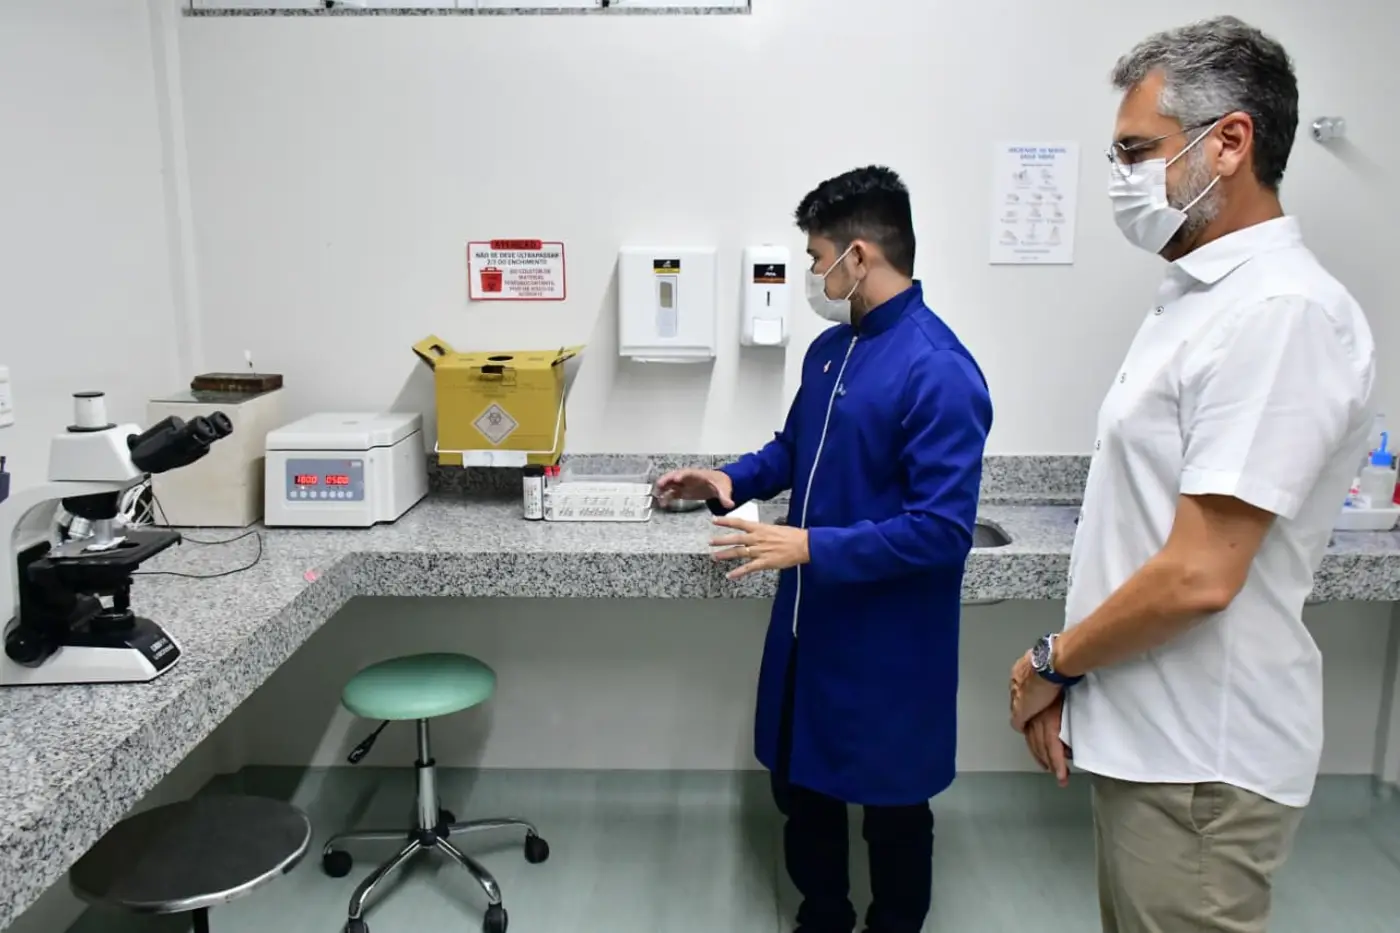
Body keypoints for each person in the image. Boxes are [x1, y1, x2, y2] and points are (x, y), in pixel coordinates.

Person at [1007, 16, 1376, 933]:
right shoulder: (1204, 299)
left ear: (1231, 142)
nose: (1121, 175)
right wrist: (1077, 680)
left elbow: (1200, 573)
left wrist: (1053, 661)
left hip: (1200, 765)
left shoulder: (1280, 314)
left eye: (1138, 150)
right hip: (1155, 743)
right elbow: (1142, 534)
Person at [657, 166, 992, 933]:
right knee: (803, 790)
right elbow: (793, 448)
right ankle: (822, 914)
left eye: (817, 257)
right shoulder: (831, 351)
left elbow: (942, 530)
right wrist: (727, 478)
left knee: (893, 809)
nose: (814, 274)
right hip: (810, 628)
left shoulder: (938, 369)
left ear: (859, 256)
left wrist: (811, 545)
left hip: (889, 645)